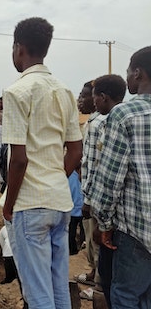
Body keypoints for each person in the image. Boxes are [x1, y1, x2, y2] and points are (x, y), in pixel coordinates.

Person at [2, 17, 82, 308]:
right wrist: (55, 178)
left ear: (19, 48)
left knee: (37, 294)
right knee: (57, 286)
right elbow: (75, 151)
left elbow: (19, 159)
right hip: (60, 202)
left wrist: (9, 205)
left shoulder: (17, 92)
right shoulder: (64, 90)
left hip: (30, 205)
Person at [90, 58, 150, 307]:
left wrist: (104, 223)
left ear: (137, 73)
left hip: (135, 228)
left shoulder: (125, 114)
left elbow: (111, 177)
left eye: (128, 72)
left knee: (125, 296)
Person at [84, 74, 126, 308]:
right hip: (115, 206)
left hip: (104, 205)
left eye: (90, 96)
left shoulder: (106, 122)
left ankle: (101, 291)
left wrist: (90, 200)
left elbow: (102, 169)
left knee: (103, 250)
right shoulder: (99, 120)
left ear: (102, 97)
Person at [75, 80, 104, 299]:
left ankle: (98, 288)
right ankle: (94, 273)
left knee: (96, 237)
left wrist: (88, 199)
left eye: (84, 96)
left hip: (93, 195)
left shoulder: (98, 124)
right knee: (89, 236)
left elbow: (94, 164)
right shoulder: (90, 123)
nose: (81, 100)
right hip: (88, 191)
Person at [68, 169, 84, 256]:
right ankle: (73, 252)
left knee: (84, 234)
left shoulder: (86, 172)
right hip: (72, 211)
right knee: (71, 234)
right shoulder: (69, 174)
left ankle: (82, 250)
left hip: (84, 210)